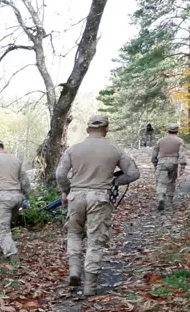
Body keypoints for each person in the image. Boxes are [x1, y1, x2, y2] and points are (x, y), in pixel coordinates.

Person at [56, 115, 140, 296]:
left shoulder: (73, 149)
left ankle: (74, 271)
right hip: (100, 197)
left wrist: (67, 190)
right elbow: (133, 174)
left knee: (74, 233)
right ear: (106, 129)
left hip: (76, 196)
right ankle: (90, 285)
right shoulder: (115, 150)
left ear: (88, 130)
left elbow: (60, 175)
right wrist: (114, 182)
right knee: (96, 239)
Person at [152, 123, 187, 212]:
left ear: (168, 131)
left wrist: (155, 163)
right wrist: (182, 165)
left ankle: (160, 197)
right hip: (173, 162)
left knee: (161, 182)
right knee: (171, 182)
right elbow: (181, 154)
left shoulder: (160, 141)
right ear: (177, 131)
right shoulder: (179, 141)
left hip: (162, 162)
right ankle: (169, 202)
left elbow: (154, 154)